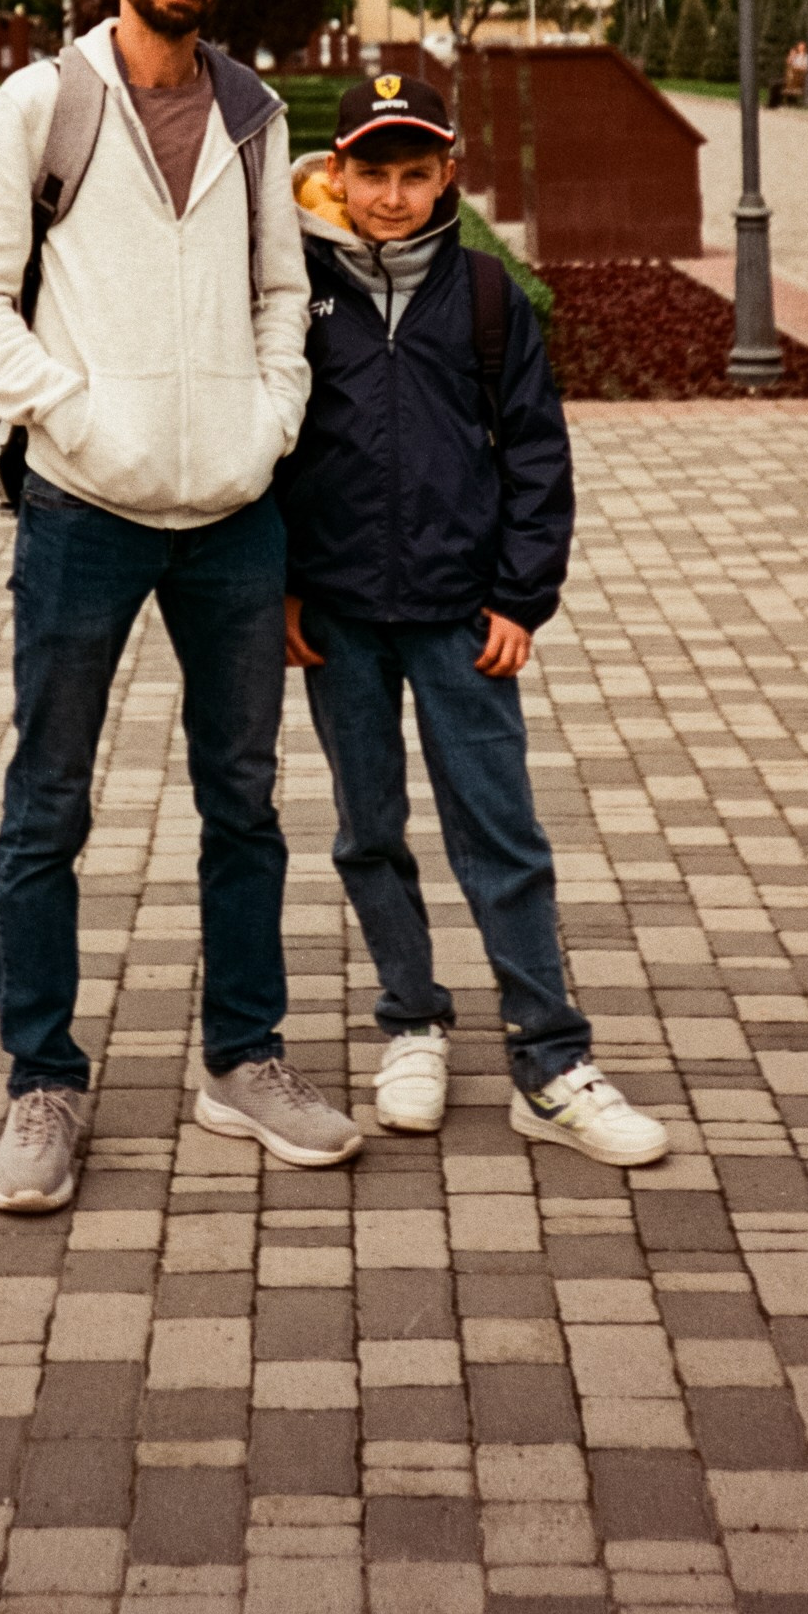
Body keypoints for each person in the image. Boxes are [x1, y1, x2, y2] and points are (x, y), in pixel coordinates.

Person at [0, 0, 357, 1214]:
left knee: (243, 802)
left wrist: (265, 421)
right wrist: (74, 418)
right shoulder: (41, 102)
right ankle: (40, 1085)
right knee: (47, 805)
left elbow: (281, 293)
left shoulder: (253, 108)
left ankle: (241, 1060)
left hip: (234, 513)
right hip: (82, 511)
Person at [276, 71, 670, 1168]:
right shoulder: (292, 293)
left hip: (462, 616)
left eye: (413, 173)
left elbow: (538, 456)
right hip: (338, 619)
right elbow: (269, 446)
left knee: (499, 835)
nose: (392, 195)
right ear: (336, 173)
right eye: (371, 173)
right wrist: (286, 586)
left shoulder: (487, 296)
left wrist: (518, 595)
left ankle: (548, 1060)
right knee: (366, 832)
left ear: (448, 172)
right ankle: (410, 1019)